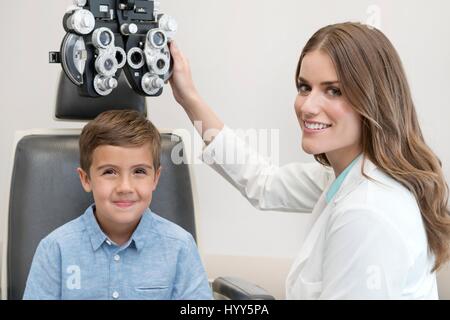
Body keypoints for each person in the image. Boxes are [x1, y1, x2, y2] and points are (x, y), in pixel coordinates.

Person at [168, 22, 450, 299]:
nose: (308, 106)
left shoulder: (367, 213)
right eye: (305, 87)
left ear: (373, 100)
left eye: (334, 91)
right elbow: (265, 184)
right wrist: (188, 97)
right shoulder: (349, 176)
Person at [23, 110, 212, 300]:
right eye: (110, 172)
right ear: (86, 179)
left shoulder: (180, 247)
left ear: (155, 178)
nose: (125, 187)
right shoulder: (55, 249)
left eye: (139, 171)